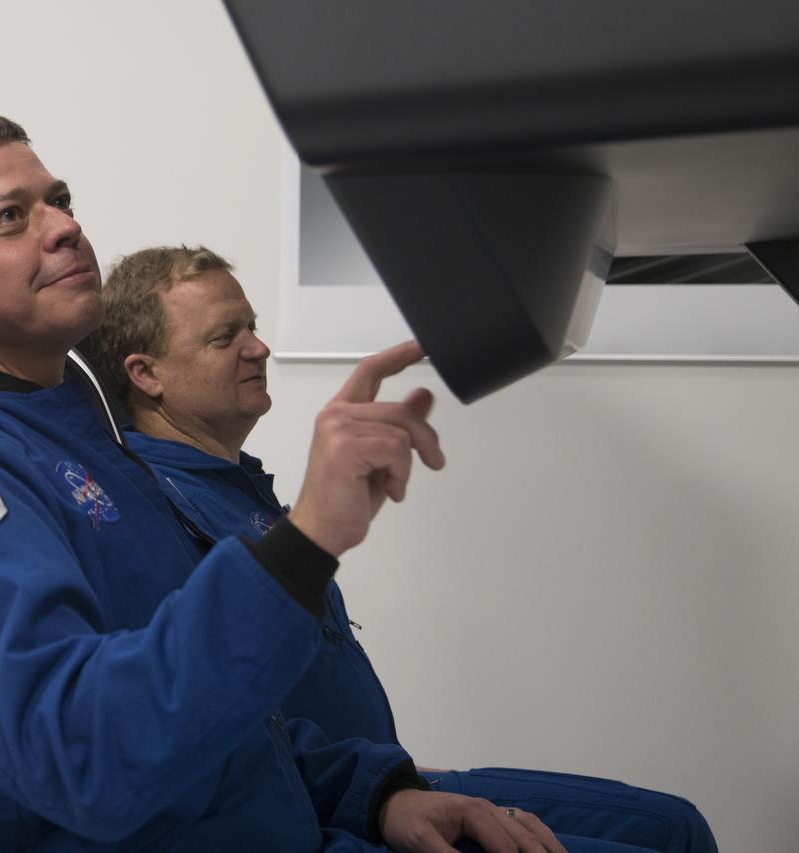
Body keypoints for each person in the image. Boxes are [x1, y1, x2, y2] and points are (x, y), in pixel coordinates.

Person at [0, 113, 650, 853]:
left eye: (60, 200)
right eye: (11, 217)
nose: (66, 227)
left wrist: (374, 795)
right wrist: (305, 541)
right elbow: (83, 758)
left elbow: (234, 732)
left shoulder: (79, 435)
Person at [80, 244, 719, 853]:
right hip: (328, 803)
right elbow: (215, 717)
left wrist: (393, 773)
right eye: (226, 338)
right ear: (146, 374)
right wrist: (377, 793)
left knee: (672, 827)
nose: (260, 348)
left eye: (253, 326)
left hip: (377, 776)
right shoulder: (156, 512)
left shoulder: (238, 490)